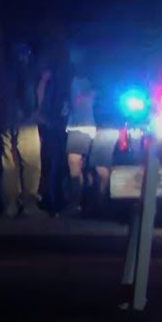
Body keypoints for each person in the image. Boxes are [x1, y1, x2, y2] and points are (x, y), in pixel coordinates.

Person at [1, 42, 49, 218]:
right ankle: (29, 204)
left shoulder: (5, 71)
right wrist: (32, 114)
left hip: (6, 120)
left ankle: (11, 204)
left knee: (9, 163)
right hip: (25, 122)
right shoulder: (25, 71)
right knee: (31, 162)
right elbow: (28, 94)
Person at [62, 47, 97, 217]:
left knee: (74, 162)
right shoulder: (75, 79)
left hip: (81, 126)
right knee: (77, 164)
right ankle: (77, 204)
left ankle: (75, 204)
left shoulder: (83, 80)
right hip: (76, 124)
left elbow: (82, 100)